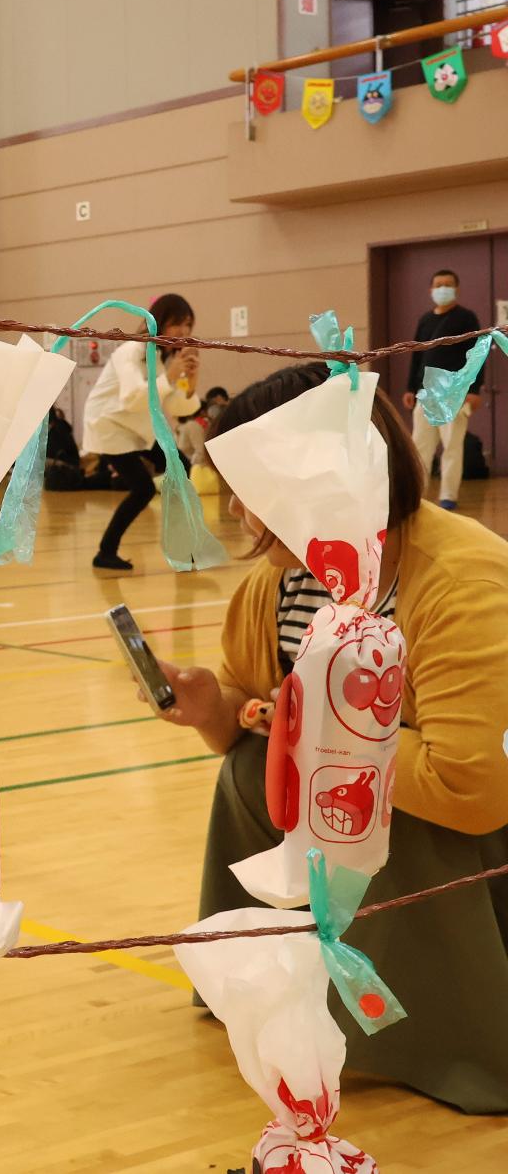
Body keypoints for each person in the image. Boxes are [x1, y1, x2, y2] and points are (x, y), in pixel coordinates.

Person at [154, 363, 508, 1115]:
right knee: (252, 771)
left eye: (252, 485)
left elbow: (473, 789)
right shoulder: (282, 581)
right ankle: (281, 972)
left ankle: (445, 1038)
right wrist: (214, 705)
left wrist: (324, 726)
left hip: (467, 833)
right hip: (361, 811)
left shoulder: (458, 578)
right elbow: (253, 726)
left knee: (377, 802)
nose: (239, 510)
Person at [79, 293, 201, 572]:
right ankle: (105, 552)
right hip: (110, 426)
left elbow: (177, 407)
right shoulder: (131, 350)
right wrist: (171, 378)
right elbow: (132, 398)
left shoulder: (160, 358)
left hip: (139, 427)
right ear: (161, 321)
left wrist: (191, 383)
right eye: (178, 324)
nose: (184, 333)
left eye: (188, 326)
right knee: (143, 489)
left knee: (180, 471)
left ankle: (182, 549)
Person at [402, 267, 484, 510]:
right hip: (425, 392)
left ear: (456, 289)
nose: (442, 289)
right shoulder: (425, 320)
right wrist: (410, 388)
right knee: (419, 447)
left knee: (452, 446)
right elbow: (417, 355)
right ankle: (417, 495)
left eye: (447, 284)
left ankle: (448, 497)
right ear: (431, 289)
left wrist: (474, 389)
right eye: (438, 285)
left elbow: (477, 355)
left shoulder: (466, 318)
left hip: (454, 391)